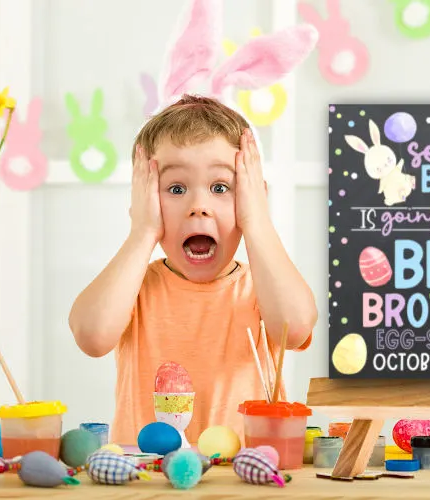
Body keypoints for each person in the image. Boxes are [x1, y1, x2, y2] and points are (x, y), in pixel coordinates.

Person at [68, 94, 318, 446]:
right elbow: (91, 336)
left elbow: (295, 328)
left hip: (240, 479)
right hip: (149, 481)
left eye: (220, 187)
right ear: (144, 201)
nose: (198, 206)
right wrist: (142, 231)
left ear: (251, 198)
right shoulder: (135, 287)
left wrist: (257, 221)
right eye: (176, 188)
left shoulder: (259, 287)